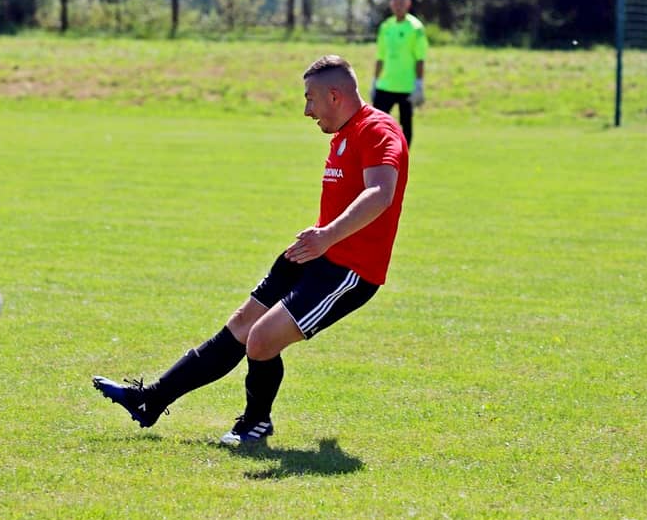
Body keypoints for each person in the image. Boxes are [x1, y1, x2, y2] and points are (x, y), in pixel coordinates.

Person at [93, 54, 410, 445]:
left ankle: (256, 423)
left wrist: (327, 235)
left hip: (348, 271)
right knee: (242, 325)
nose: (307, 111)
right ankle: (149, 401)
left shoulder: (378, 130)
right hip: (315, 254)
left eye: (310, 99)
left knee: (261, 340)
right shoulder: (344, 133)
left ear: (334, 95)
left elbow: (380, 194)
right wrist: (321, 240)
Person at [371, 0, 427, 146]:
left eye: (401, 1)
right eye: (395, 1)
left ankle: (403, 157)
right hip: (385, 85)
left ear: (408, 3)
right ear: (391, 4)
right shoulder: (386, 26)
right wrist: (375, 81)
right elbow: (380, 56)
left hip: (406, 86)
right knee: (376, 124)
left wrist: (419, 83)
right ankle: (377, 155)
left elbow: (420, 58)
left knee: (406, 125)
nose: (398, 5)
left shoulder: (416, 27)